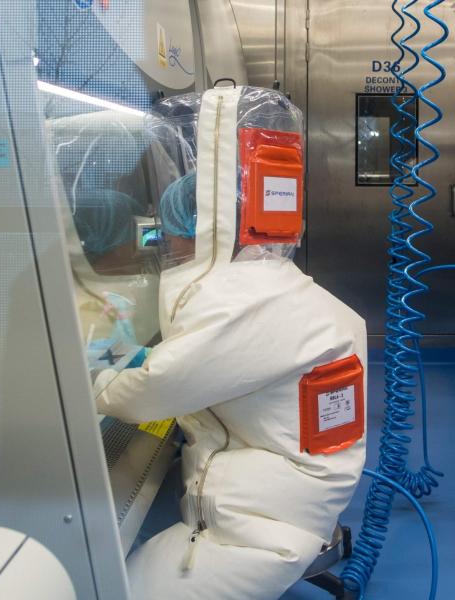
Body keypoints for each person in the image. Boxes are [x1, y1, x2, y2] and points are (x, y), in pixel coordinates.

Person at [94, 86, 367, 600]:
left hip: (262, 528)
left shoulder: (246, 306)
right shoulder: (279, 285)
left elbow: (153, 390)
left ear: (205, 231)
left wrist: (95, 380)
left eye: (173, 232)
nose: (166, 244)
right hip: (292, 500)